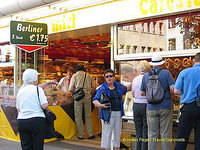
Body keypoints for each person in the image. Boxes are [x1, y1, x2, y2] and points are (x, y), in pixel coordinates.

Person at [140, 55, 174, 150]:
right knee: (165, 133)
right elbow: (172, 89)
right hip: (165, 106)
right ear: (161, 63)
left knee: (152, 134)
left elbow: (142, 93)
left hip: (151, 108)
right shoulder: (166, 73)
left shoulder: (146, 75)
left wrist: (152, 94)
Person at [93, 69, 127, 150]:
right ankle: (107, 148)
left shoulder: (118, 86)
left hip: (118, 112)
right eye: (107, 76)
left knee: (117, 133)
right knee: (107, 133)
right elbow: (95, 100)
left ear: (114, 77)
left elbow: (126, 89)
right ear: (105, 78)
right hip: (107, 114)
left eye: (111, 76)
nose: (109, 78)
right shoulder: (102, 88)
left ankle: (116, 147)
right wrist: (100, 105)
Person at [16, 68, 48, 150]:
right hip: (37, 120)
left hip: (22, 121)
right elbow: (44, 105)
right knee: (38, 145)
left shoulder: (20, 91)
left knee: (26, 146)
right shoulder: (38, 89)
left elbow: (18, 109)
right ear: (34, 79)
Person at [174, 52, 200, 150]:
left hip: (188, 107)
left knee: (182, 137)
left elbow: (176, 90)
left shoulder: (185, 72)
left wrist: (187, 91)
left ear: (194, 60)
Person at [68, 65, 95, 140]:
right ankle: (90, 134)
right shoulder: (89, 76)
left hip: (78, 98)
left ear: (76, 69)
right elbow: (94, 86)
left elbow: (70, 88)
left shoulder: (75, 76)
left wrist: (74, 93)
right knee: (88, 115)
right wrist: (90, 93)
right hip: (87, 97)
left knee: (78, 116)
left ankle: (81, 135)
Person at [132, 61, 151, 150]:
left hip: (136, 104)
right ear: (148, 68)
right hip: (146, 104)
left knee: (138, 130)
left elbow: (133, 94)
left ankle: (137, 148)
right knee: (145, 129)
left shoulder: (135, 79)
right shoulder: (148, 78)